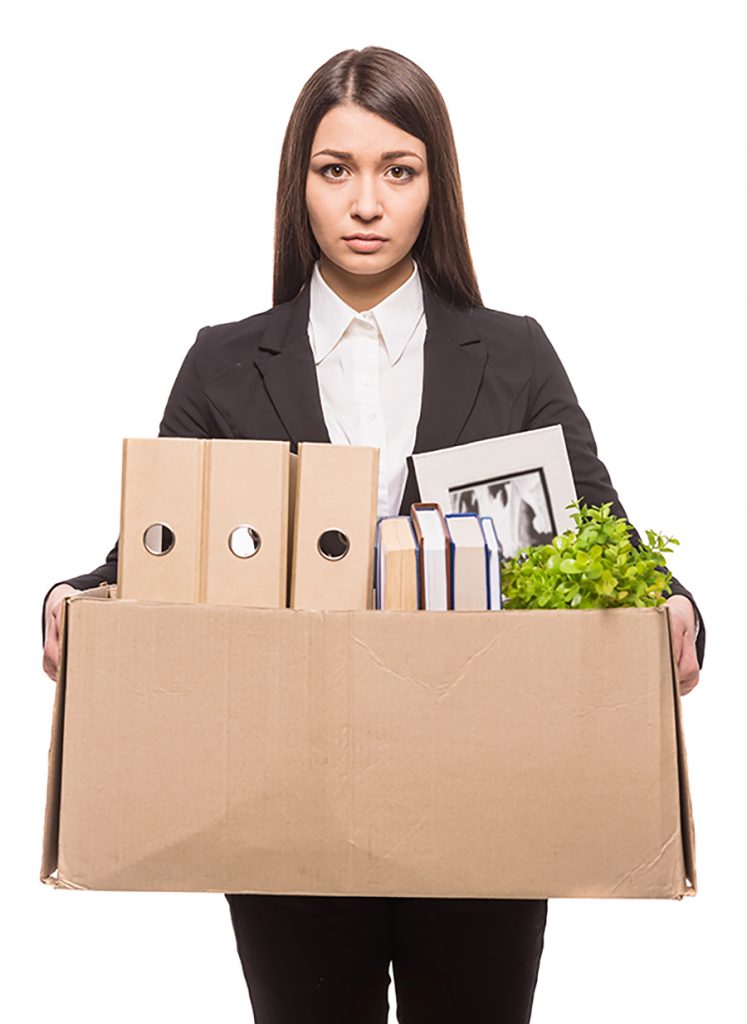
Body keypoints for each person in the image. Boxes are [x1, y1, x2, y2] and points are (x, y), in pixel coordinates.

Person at [40, 45, 706, 1024]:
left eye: (398, 171)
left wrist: (674, 602)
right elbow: (159, 542)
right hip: (283, 787)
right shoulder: (225, 367)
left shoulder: (512, 352)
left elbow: (597, 522)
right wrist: (76, 593)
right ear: (298, 184)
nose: (366, 202)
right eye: (336, 169)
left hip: (483, 787)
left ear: (434, 187)